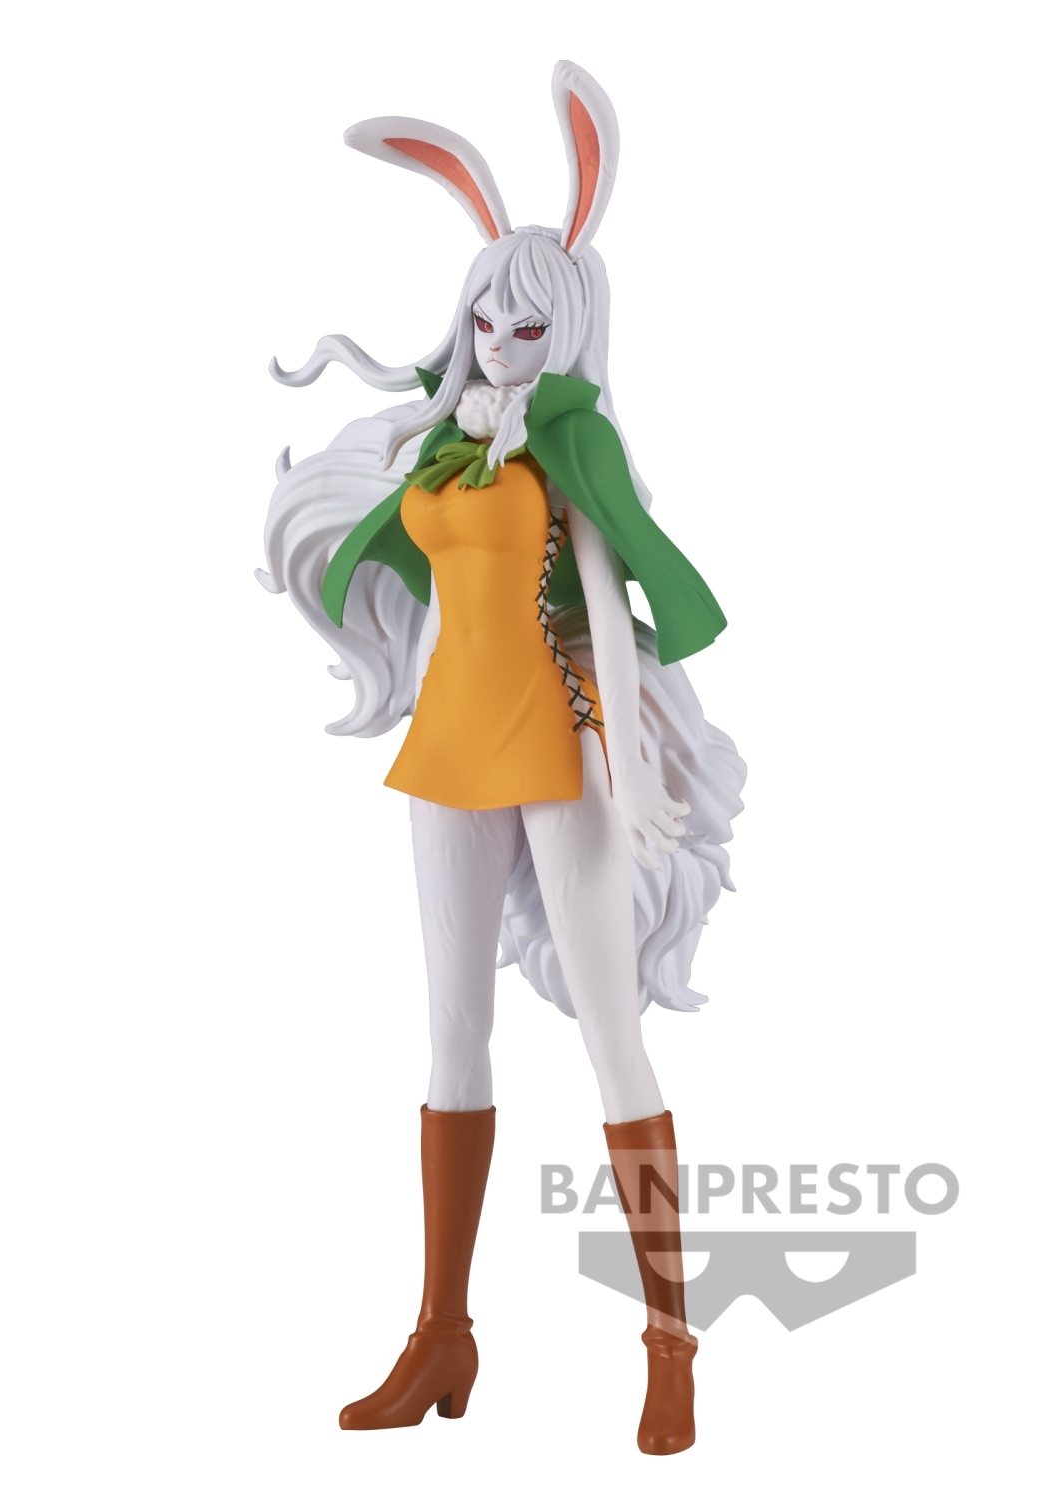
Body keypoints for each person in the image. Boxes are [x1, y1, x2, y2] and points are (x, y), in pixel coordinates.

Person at [259, 61, 745, 1455]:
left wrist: (626, 729)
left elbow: (645, 600)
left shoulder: (568, 445)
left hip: (555, 751)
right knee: (450, 1039)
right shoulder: (448, 445)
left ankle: (670, 1346)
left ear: (570, 323)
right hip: (446, 751)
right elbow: (401, 570)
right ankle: (441, 1335)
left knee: (609, 1038)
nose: (501, 337)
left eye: (529, 321)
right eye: (485, 314)